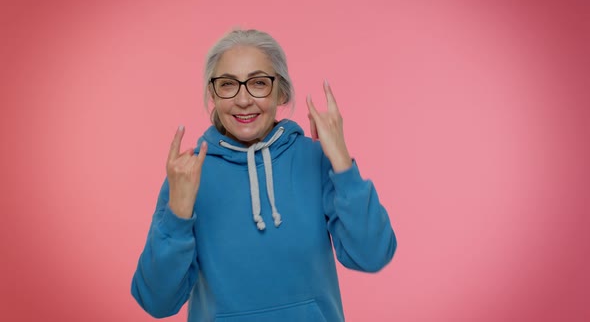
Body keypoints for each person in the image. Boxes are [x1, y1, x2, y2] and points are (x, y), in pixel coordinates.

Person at [131, 28, 397, 322]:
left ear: (281, 91)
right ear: (213, 94)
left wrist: (343, 165)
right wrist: (177, 215)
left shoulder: (315, 159)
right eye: (228, 84)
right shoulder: (188, 174)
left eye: (258, 83)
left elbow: (372, 255)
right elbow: (158, 301)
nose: (243, 100)